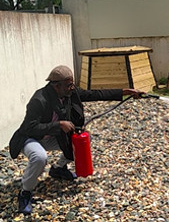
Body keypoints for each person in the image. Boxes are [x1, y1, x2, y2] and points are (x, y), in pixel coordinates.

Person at [9, 65, 142, 214]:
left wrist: (125, 92)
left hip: (52, 135)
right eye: (69, 84)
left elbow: (95, 94)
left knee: (82, 141)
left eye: (72, 84)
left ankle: (58, 169)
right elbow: (29, 128)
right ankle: (25, 193)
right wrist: (59, 124)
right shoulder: (39, 100)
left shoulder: (70, 93)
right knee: (40, 157)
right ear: (56, 86)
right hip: (30, 138)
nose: (72, 87)